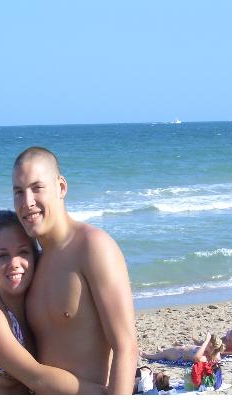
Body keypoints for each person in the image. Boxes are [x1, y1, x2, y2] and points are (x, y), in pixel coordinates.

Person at [12, 147, 138, 394]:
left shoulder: (92, 247)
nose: (27, 202)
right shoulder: (32, 265)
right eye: (18, 192)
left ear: (61, 187)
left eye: (37, 188)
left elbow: (126, 347)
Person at [0, 210, 106, 394]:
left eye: (23, 252)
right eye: (3, 255)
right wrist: (105, 393)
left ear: (35, 256)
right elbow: (36, 377)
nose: (14, 263)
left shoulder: (36, 311)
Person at [140, 333, 224, 363]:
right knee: (165, 351)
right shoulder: (211, 351)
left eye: (207, 344)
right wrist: (202, 342)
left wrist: (206, 340)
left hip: (178, 355)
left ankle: (145, 355)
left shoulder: (205, 357)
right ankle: (162, 350)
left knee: (163, 354)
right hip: (184, 349)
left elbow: (196, 358)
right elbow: (202, 346)